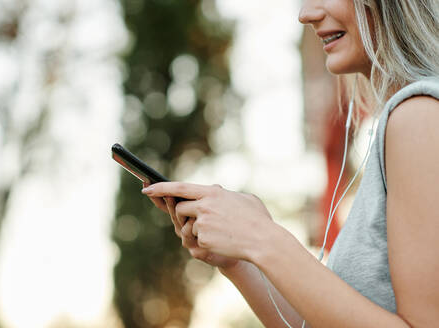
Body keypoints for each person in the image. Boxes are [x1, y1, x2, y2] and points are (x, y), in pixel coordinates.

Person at [142, 0, 439, 326]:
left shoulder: (418, 116)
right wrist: (241, 262)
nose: (306, 14)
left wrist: (261, 236)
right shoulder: (408, 120)